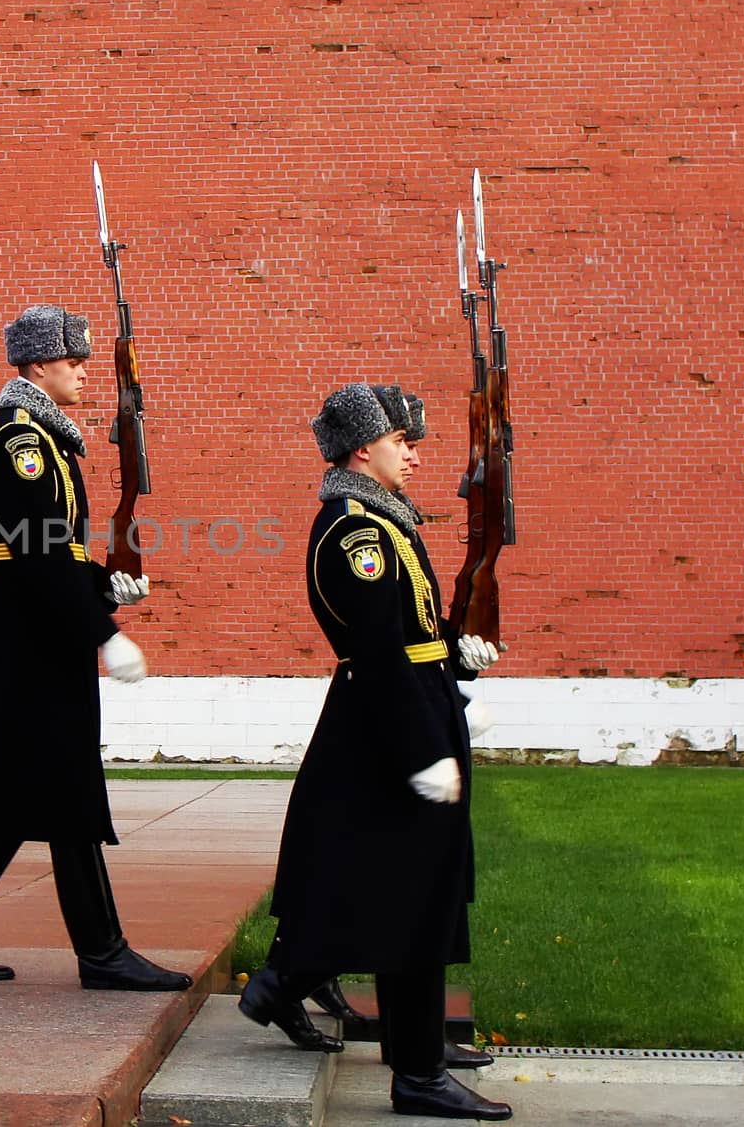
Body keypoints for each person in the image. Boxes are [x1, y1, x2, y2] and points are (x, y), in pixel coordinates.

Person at [0, 304, 191, 994]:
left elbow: (52, 549)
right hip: (28, 634)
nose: (83, 373)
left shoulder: (47, 439)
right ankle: (102, 950)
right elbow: (30, 551)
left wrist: (103, 582)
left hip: (37, 627)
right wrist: (104, 631)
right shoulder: (18, 441)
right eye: (72, 362)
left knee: (30, 789)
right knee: (64, 789)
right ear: (35, 366)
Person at [239, 383, 511, 1121]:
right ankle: (417, 1069)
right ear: (364, 448)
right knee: (409, 894)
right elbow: (378, 650)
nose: (415, 456)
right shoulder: (354, 532)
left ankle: (413, 1045)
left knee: (413, 890)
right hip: (391, 726)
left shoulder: (386, 521)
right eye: (402, 443)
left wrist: (461, 657)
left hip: (412, 711)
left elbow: (416, 631)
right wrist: (424, 745)